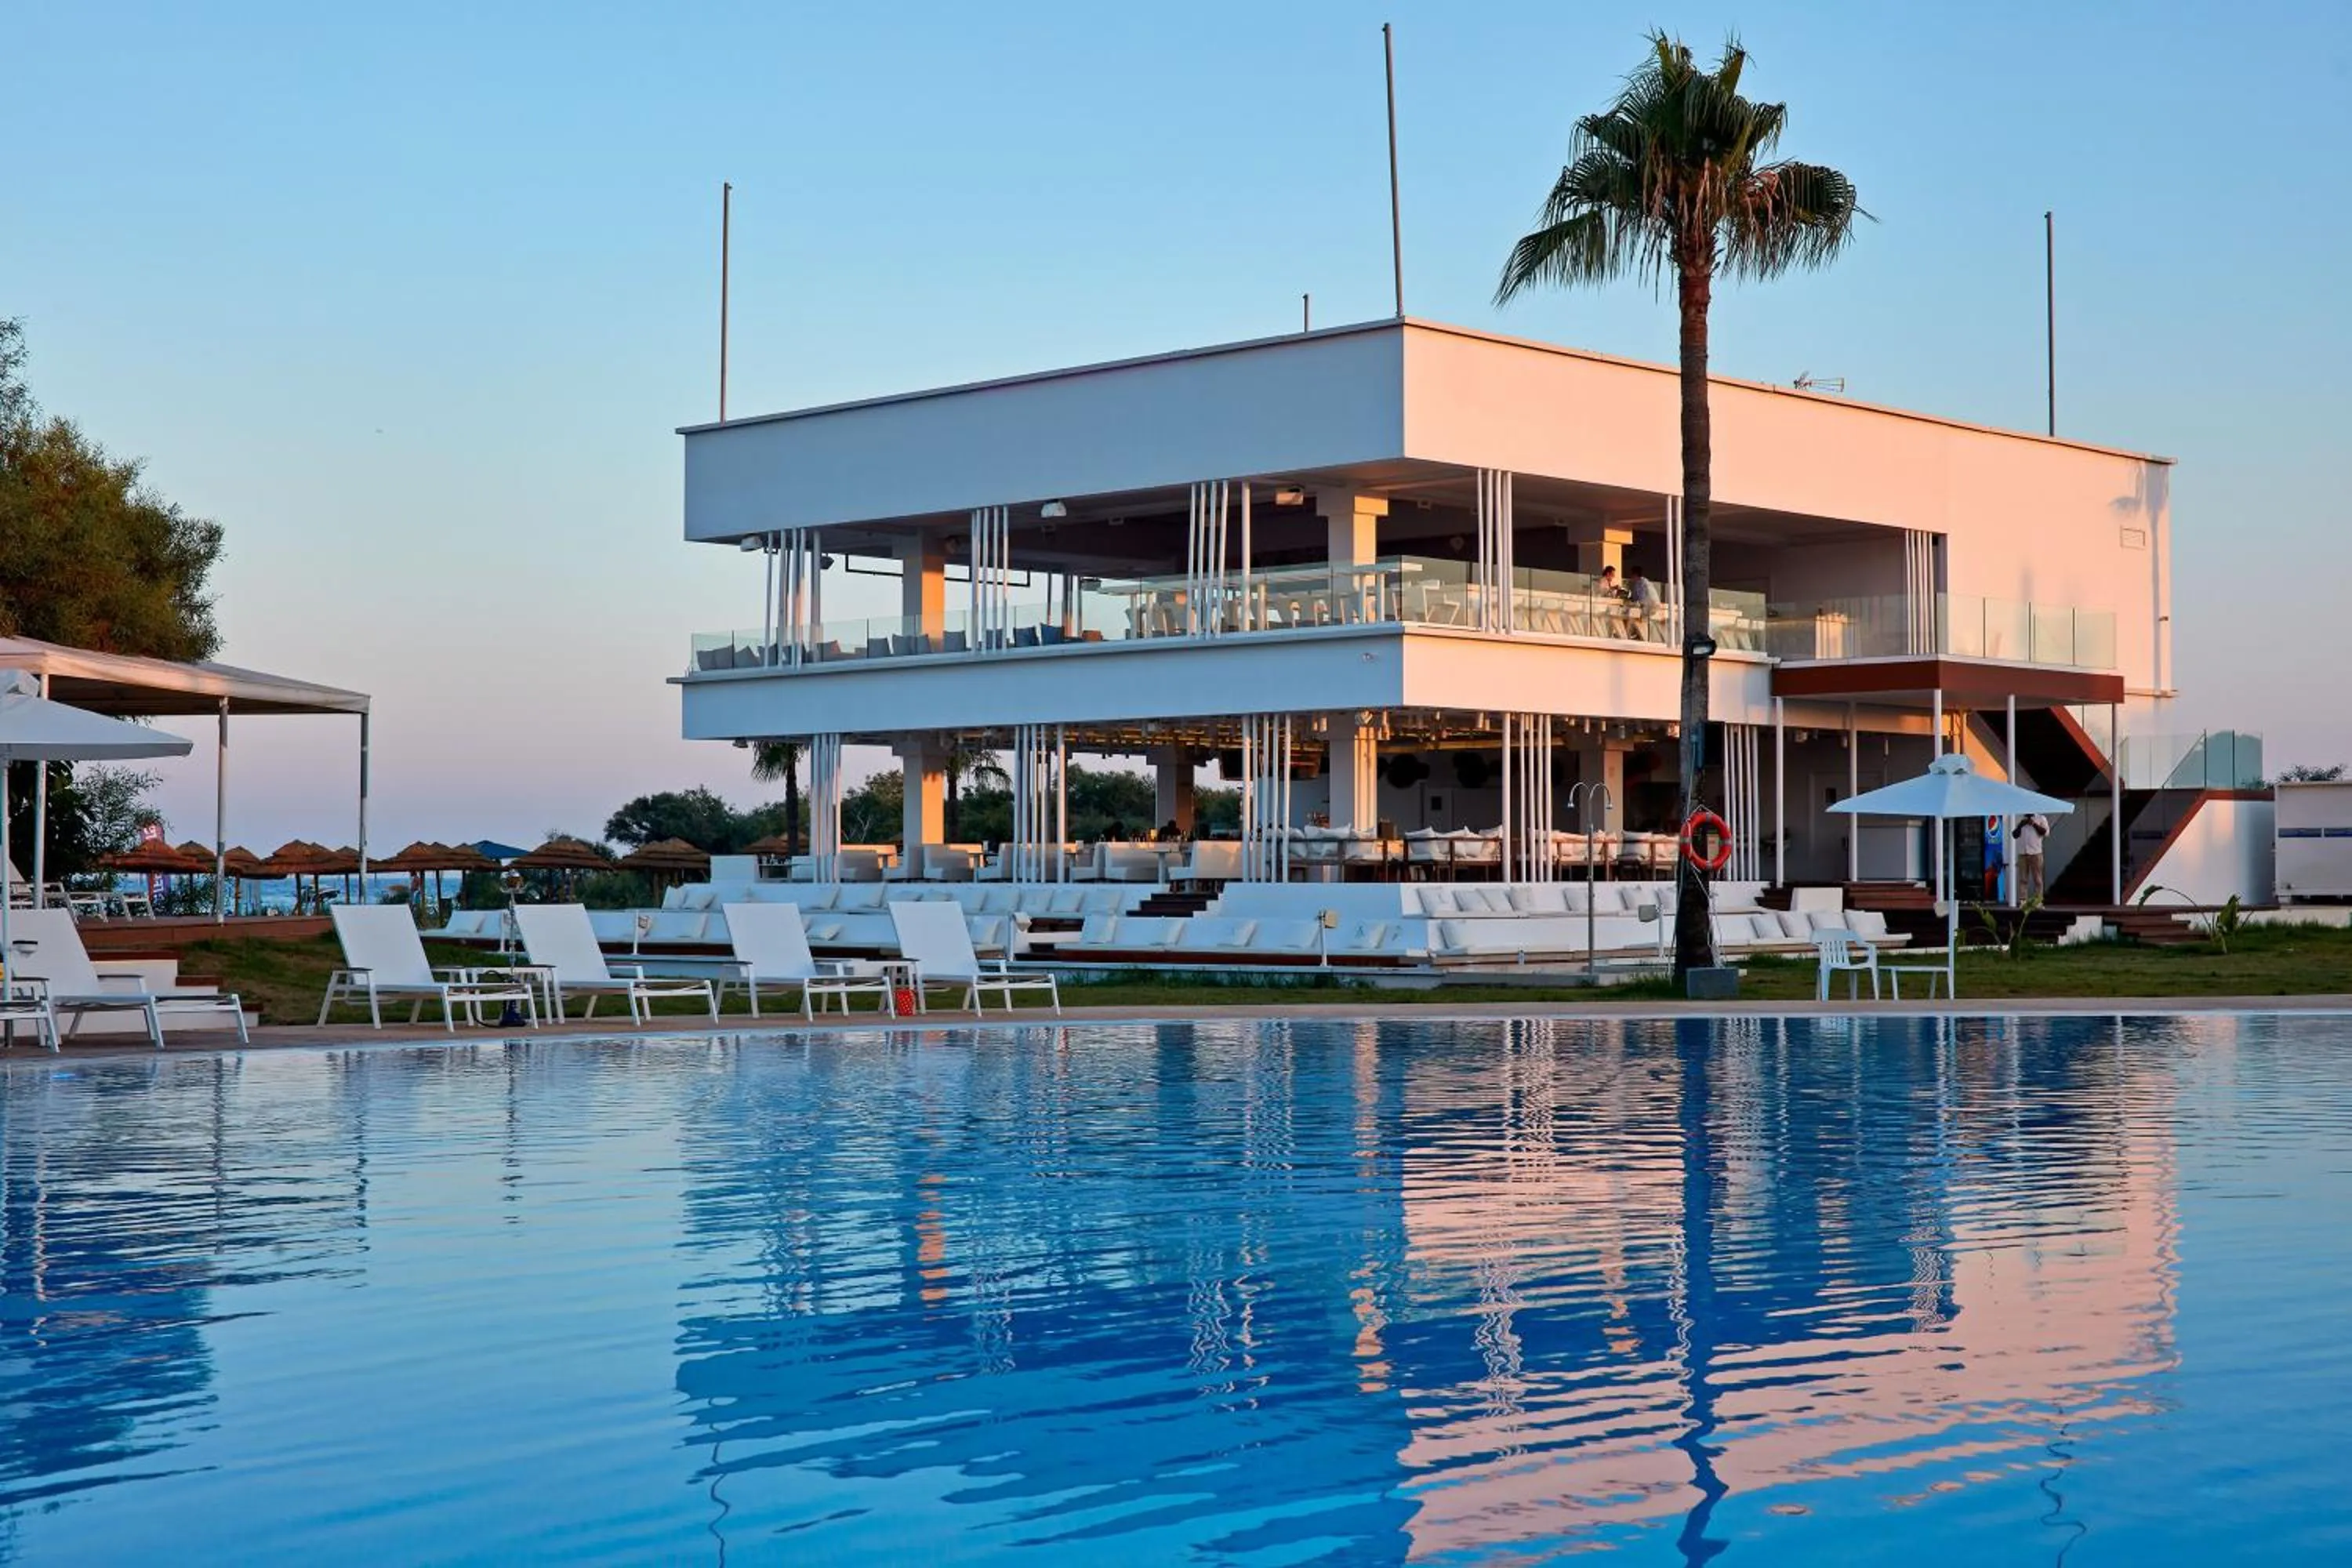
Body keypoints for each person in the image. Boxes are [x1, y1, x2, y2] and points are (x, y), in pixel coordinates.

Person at [2015, 811, 2049, 901]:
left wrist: (2034, 824)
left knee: (2037, 879)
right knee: (2023, 879)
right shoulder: (2021, 819)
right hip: (2022, 853)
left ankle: (2038, 901)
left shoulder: (2041, 818)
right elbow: (2015, 835)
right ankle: (2023, 901)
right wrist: (2020, 825)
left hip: (2036, 853)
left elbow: (2045, 832)